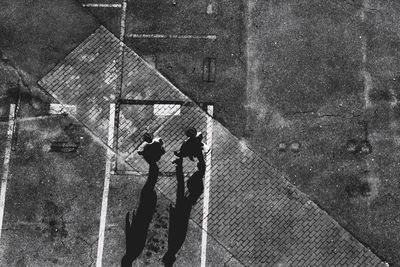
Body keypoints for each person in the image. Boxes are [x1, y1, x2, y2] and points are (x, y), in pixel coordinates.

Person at [162, 152, 206, 266]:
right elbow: (175, 227)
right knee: (180, 184)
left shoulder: (174, 247)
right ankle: (179, 164)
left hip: (184, 209)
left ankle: (179, 164)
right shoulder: (173, 246)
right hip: (182, 210)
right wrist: (173, 212)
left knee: (181, 184)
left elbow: (179, 228)